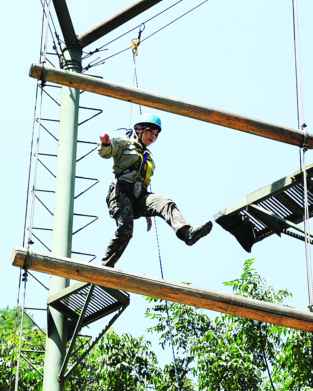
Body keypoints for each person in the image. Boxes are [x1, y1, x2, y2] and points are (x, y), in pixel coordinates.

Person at [98, 113, 212, 268]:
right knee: (126, 229)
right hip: (121, 191)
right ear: (139, 129)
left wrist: (148, 211)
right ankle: (106, 267)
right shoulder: (125, 144)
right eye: (150, 132)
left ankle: (187, 233)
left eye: (156, 135)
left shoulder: (149, 159)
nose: (153, 136)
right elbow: (107, 151)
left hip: (139, 196)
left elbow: (143, 184)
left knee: (165, 202)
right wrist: (104, 143)